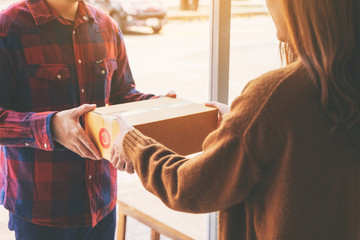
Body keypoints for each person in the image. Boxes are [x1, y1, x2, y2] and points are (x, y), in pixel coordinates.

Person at [110, 0, 360, 239]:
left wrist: (132, 143)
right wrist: (245, 125)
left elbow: (186, 187)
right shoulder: (343, 80)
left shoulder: (273, 96)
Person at [0, 0, 175, 239]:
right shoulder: (8, 28)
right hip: (40, 211)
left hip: (101, 203)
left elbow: (122, 94)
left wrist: (158, 105)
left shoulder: (107, 26)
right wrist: (49, 126)